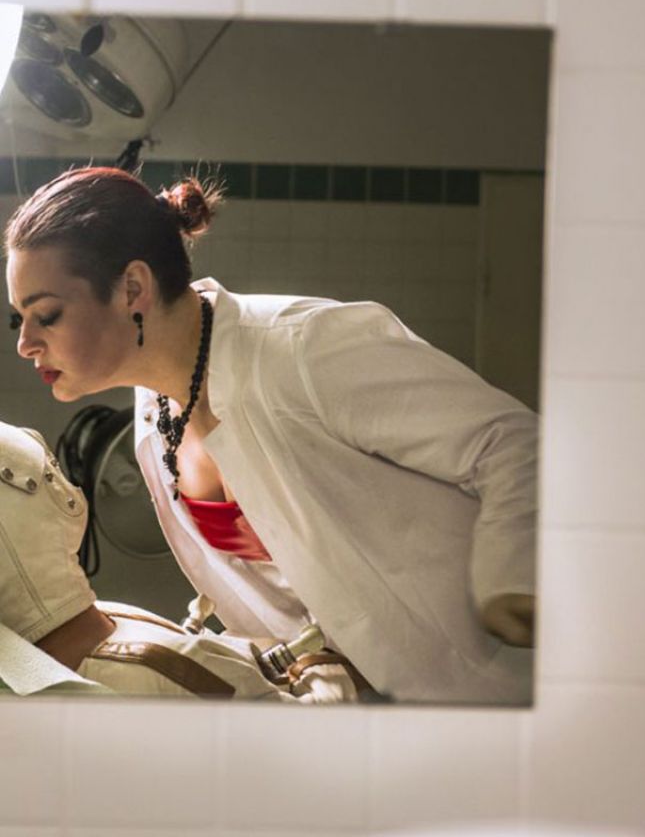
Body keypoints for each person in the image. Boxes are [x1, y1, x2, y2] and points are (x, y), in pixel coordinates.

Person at [4, 166, 537, 704]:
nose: (26, 343)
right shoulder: (154, 413)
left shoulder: (303, 349)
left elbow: (513, 441)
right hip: (374, 717)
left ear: (133, 288)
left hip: (496, 690)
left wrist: (510, 579)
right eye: (18, 319)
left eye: (47, 315)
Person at [0, 418, 359, 701]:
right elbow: (311, 732)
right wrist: (318, 667)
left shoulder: (90, 623)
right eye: (50, 474)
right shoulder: (144, 663)